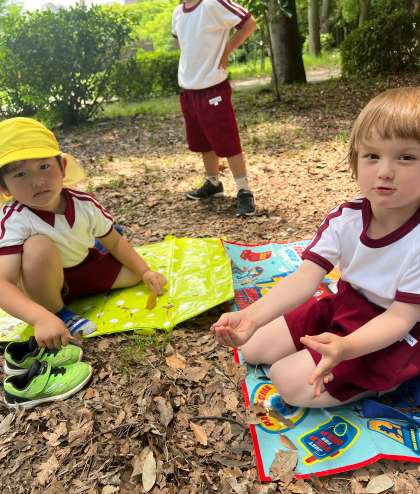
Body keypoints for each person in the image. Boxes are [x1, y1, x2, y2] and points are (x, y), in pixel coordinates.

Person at [212, 87, 420, 408]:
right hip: (347, 304)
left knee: (287, 381)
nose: (384, 171)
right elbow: (305, 279)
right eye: (372, 156)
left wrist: (346, 348)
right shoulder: (347, 218)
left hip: (393, 331)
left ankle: (387, 380)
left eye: (406, 157)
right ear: (355, 161)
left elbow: (399, 319)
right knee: (252, 345)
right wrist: (251, 316)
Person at [0, 117, 167, 349]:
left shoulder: (83, 203)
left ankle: (96, 243)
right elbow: (3, 283)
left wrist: (145, 271)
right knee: (38, 246)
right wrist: (39, 318)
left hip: (82, 267)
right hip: (43, 282)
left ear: (62, 167)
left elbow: (116, 243)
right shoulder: (14, 219)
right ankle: (59, 312)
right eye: (20, 174)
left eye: (44, 166)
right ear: (4, 187)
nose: (37, 181)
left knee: (134, 273)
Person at [172, 0, 257, 217]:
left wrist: (226, 51)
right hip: (189, 90)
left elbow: (249, 23)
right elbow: (183, 45)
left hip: (213, 87)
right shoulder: (177, 13)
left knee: (227, 139)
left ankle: (244, 190)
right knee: (202, 140)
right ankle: (213, 183)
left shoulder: (213, 3)